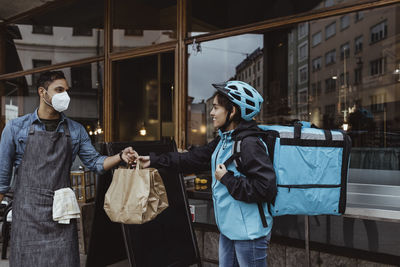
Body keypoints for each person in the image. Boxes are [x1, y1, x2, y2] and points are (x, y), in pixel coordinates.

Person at [0, 71, 137, 267]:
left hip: (61, 214)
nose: (65, 95)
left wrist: (120, 156)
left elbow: (95, 163)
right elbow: (2, 180)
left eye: (67, 90)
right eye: (59, 90)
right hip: (27, 216)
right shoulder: (15, 128)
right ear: (42, 92)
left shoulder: (75, 130)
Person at [138, 81, 277, 266]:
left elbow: (265, 188)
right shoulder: (224, 141)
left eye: (216, 108)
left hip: (248, 234)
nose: (212, 113)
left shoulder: (249, 143)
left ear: (233, 111)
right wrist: (154, 160)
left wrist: (227, 178)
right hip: (229, 229)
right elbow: (193, 158)